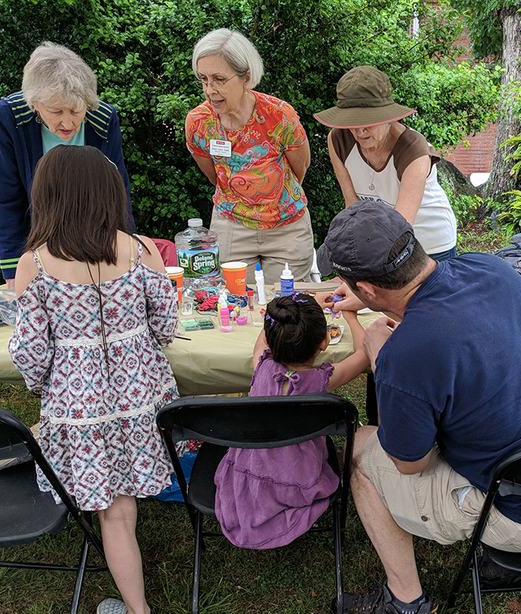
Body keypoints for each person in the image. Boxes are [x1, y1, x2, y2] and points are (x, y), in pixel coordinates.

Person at [319, 202, 521, 614]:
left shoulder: (406, 355)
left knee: (361, 452)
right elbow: (449, 319)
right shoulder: (492, 270)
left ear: (368, 289)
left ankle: (405, 607)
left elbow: (409, 464)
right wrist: (387, 308)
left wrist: (380, 351)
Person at [8, 146, 178, 614]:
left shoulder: (34, 264)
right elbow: (166, 326)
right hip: (144, 398)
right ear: (110, 195)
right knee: (124, 505)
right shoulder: (142, 249)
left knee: (114, 513)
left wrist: (49, 384)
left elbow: (32, 356)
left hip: (82, 409)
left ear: (47, 198)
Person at [214, 292, 369, 549]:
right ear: (324, 341)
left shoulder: (261, 365)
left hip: (253, 467)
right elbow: (365, 352)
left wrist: (302, 306)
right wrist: (351, 316)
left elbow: (264, 337)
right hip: (300, 475)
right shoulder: (323, 380)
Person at [0, 41, 145, 288]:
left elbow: (117, 193)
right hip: (38, 244)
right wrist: (13, 268)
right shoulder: (7, 118)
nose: (68, 123)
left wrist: (130, 260)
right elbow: (3, 198)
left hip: (97, 243)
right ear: (33, 103)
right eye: (57, 112)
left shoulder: (103, 119)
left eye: (76, 111)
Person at [185, 29, 314, 283]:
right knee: (235, 307)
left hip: (287, 226)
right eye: (204, 79)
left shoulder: (279, 115)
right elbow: (214, 176)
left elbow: (301, 167)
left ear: (246, 78)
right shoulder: (198, 122)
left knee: (289, 307)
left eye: (219, 79)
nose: (210, 90)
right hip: (231, 225)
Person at [314, 66, 458, 262]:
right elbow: (352, 205)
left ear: (389, 118)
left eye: (369, 122)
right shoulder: (338, 140)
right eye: (353, 123)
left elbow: (400, 224)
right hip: (379, 237)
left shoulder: (414, 150)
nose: (360, 131)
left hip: (430, 241)